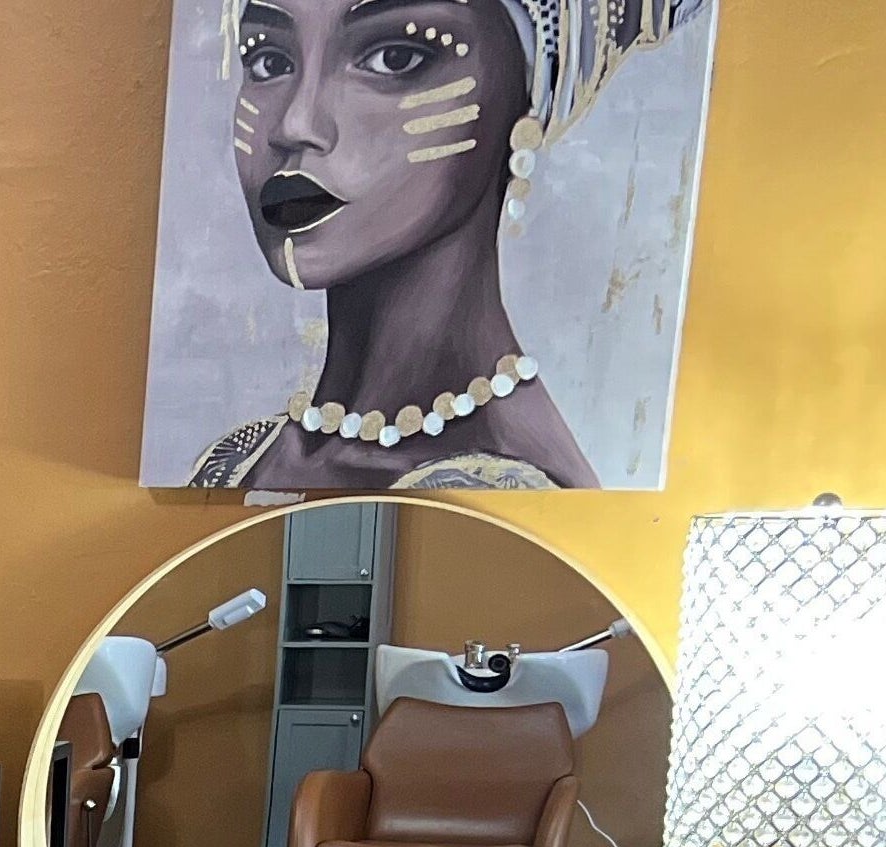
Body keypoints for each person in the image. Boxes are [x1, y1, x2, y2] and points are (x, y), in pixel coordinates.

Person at [190, 0, 706, 491]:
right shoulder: (242, 457)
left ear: (524, 96)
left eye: (395, 58)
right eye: (269, 60)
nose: (294, 125)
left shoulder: (508, 480)